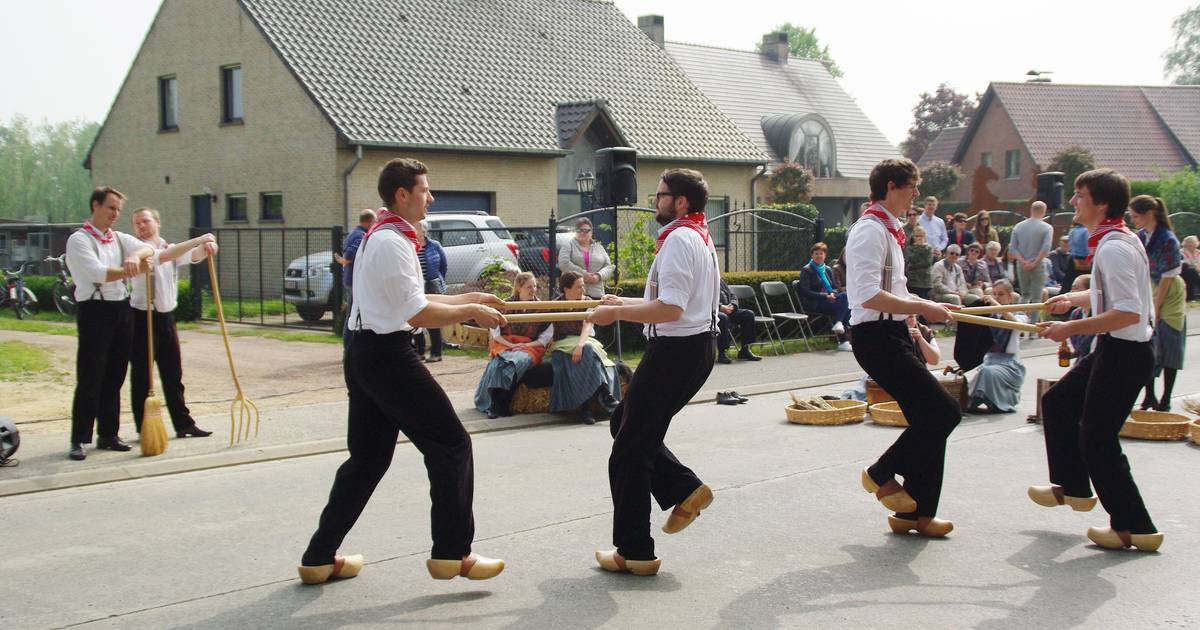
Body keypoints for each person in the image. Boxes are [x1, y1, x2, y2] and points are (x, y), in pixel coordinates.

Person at [299, 158, 508, 585]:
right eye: (425, 190)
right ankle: (453, 554)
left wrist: (476, 296)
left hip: (365, 352)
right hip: (387, 355)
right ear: (401, 194)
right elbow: (416, 313)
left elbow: (418, 299)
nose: (430, 198)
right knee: (451, 445)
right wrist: (471, 310)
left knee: (368, 460)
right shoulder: (392, 242)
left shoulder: (388, 236)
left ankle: (318, 558)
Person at [586, 168, 721, 576]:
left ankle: (635, 552)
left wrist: (617, 313)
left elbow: (672, 309)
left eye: (661, 195)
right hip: (686, 349)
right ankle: (685, 489)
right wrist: (621, 301)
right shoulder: (693, 233)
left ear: (680, 202)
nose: (655, 201)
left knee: (629, 450)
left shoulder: (680, 239)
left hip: (677, 352)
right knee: (623, 425)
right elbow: (669, 301)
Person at [1034, 168, 1162, 553]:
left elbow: (1127, 312)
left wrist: (1068, 329)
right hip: (1117, 348)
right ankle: (1073, 487)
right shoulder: (1119, 238)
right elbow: (1113, 293)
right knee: (1057, 403)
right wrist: (1074, 299)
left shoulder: (1114, 246)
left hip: (1125, 352)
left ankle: (1133, 527)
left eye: (1080, 195)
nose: (1072, 201)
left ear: (1101, 204)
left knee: (1098, 440)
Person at [846, 158, 960, 538]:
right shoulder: (869, 231)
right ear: (893, 186)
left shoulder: (889, 229)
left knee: (929, 420)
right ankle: (879, 472)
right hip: (875, 338)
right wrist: (921, 306)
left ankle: (918, 514)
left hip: (893, 333)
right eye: (913, 187)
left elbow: (894, 292)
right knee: (944, 412)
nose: (916, 195)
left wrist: (932, 305)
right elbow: (866, 295)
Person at [64, 187, 155, 461]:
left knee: (115, 375)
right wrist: (136, 268)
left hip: (121, 310)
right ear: (96, 205)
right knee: (91, 375)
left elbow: (148, 246)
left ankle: (108, 434)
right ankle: (79, 438)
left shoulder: (117, 238)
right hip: (95, 310)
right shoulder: (79, 240)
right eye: (111, 208)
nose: (115, 214)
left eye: (118, 210)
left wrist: (133, 257)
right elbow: (97, 273)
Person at [129, 207, 217, 439]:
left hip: (167, 316)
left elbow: (193, 255)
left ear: (157, 222)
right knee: (142, 376)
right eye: (136, 223)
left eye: (145, 221)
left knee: (173, 373)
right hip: (142, 316)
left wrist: (207, 248)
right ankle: (144, 427)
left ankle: (183, 423)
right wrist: (197, 242)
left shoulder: (170, 248)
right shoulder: (135, 248)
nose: (141, 226)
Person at [1129, 195, 1185, 412]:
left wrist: (1156, 307)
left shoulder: (1168, 239)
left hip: (1168, 291)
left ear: (1149, 214)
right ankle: (1149, 394)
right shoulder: (1141, 236)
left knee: (1169, 342)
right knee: (1147, 343)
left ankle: (1166, 398)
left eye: (1136, 216)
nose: (1133, 220)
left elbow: (1168, 277)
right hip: (1149, 286)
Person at [475, 272, 553, 419]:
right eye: (529, 287)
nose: (533, 290)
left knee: (517, 361)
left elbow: (545, 338)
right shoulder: (504, 305)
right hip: (505, 344)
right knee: (499, 362)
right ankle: (496, 404)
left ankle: (501, 402)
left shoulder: (542, 308)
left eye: (535, 286)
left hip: (530, 347)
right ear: (519, 288)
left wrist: (525, 345)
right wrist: (511, 345)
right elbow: (496, 334)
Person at [548, 271, 619, 424]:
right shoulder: (556, 304)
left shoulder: (587, 302)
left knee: (588, 351)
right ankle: (604, 394)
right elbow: (548, 331)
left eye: (583, 286)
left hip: (584, 340)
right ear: (566, 289)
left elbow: (588, 325)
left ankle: (586, 409)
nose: (583, 290)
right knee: (590, 354)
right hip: (563, 342)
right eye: (579, 287)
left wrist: (580, 346)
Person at [840, 315, 940, 401]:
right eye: (902, 318)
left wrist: (920, 339)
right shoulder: (889, 330)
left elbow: (934, 360)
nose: (906, 321)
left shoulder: (924, 331)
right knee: (865, 386)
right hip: (889, 374)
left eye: (910, 317)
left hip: (917, 374)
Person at [965, 280, 1026, 413]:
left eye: (1001, 294)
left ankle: (979, 400)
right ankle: (972, 400)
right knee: (981, 373)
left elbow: (1016, 324)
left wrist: (996, 305)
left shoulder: (1019, 315)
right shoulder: (989, 315)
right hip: (989, 361)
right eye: (994, 294)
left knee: (987, 373)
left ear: (1010, 297)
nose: (997, 297)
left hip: (1010, 364)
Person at [796, 242, 851, 350]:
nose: (819, 256)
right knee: (844, 306)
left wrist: (833, 294)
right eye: (816, 253)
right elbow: (806, 292)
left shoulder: (828, 269)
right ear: (812, 255)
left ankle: (840, 326)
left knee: (845, 297)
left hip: (829, 300)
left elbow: (834, 287)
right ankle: (843, 340)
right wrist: (826, 296)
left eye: (821, 254)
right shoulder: (806, 270)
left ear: (825, 255)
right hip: (814, 303)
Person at [335, 209, 376, 347]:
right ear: (370, 221)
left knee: (352, 314)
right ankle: (349, 347)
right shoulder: (361, 235)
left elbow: (346, 251)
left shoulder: (353, 233)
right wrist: (345, 260)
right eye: (374, 221)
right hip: (355, 280)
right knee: (353, 315)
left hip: (349, 279)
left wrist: (343, 261)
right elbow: (350, 253)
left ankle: (350, 346)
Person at [1009, 201, 1053, 324]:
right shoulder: (1047, 227)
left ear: (1031, 210)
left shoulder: (1018, 226)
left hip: (1021, 264)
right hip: (1038, 264)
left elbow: (1013, 248)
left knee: (1024, 294)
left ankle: (1019, 323)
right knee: (1036, 297)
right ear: (1044, 211)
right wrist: (1035, 262)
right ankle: (1033, 328)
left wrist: (1023, 261)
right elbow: (1046, 247)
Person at [413, 219, 447, 362]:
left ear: (424, 230)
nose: (414, 230)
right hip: (416, 286)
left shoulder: (434, 245)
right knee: (416, 319)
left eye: (417, 227)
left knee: (433, 319)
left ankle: (436, 352)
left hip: (432, 286)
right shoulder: (410, 245)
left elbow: (443, 266)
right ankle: (419, 352)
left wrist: (438, 280)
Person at [558, 217, 615, 299]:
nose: (582, 233)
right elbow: (564, 264)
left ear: (591, 232)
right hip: (574, 294)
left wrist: (598, 276)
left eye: (586, 230)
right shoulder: (568, 246)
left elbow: (609, 266)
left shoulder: (599, 248)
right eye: (579, 230)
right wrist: (583, 275)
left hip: (597, 293)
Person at [716, 277, 763, 363]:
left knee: (748, 314)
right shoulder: (704, 279)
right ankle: (722, 353)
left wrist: (733, 305)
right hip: (714, 311)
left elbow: (732, 295)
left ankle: (745, 350)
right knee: (723, 318)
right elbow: (703, 299)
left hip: (729, 309)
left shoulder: (720, 279)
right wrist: (720, 307)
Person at [1067, 274, 1095, 364]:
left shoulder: (1098, 314)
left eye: (1076, 288)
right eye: (1072, 288)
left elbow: (1089, 346)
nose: (1072, 291)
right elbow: (1079, 348)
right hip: (1082, 362)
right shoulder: (1075, 314)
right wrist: (1072, 354)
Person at [904, 226, 934, 300]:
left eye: (921, 236)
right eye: (917, 236)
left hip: (925, 281)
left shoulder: (929, 248)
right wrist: (918, 248)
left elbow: (927, 263)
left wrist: (915, 264)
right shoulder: (909, 248)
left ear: (924, 236)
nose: (919, 238)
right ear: (913, 237)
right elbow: (910, 260)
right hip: (912, 281)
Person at [1180, 235, 1200, 301]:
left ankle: (1192, 297)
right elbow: (1185, 264)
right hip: (1184, 272)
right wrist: (1196, 267)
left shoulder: (1198, 252)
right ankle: (1190, 297)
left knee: (1193, 273)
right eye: (1189, 242)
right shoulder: (1181, 253)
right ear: (1185, 244)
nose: (1191, 244)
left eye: (1193, 243)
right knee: (1191, 272)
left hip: (1196, 271)